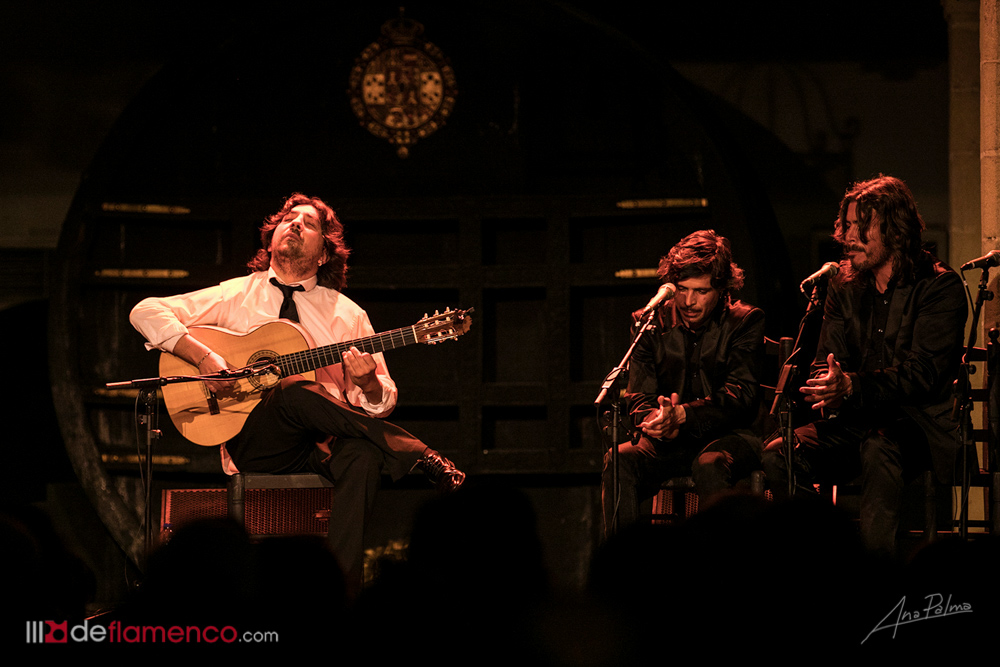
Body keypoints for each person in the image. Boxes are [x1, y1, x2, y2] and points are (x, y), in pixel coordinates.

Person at [130, 193, 465, 594]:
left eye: (309, 224)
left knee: (363, 454)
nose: (295, 225)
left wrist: (368, 384)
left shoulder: (347, 313)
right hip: (254, 440)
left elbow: (382, 399)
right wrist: (203, 357)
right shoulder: (233, 294)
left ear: (324, 254)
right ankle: (418, 453)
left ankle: (339, 592)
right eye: (289, 219)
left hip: (318, 446)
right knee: (293, 388)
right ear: (270, 241)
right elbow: (145, 311)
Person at [762, 175, 967, 556]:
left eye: (863, 225)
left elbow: (923, 374)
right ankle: (825, 555)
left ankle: (873, 579)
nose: (849, 235)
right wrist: (828, 386)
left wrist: (852, 386)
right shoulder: (843, 284)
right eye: (848, 224)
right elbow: (828, 361)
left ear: (895, 228)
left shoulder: (940, 286)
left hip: (917, 426)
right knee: (780, 451)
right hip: (854, 422)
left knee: (879, 448)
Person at [602, 230, 765, 535]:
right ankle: (624, 568)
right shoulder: (648, 322)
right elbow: (638, 396)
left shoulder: (745, 321)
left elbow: (740, 396)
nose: (689, 301)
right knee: (619, 457)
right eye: (682, 289)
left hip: (731, 437)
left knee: (708, 464)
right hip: (671, 442)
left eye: (701, 291)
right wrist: (656, 420)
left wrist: (685, 416)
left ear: (721, 288)